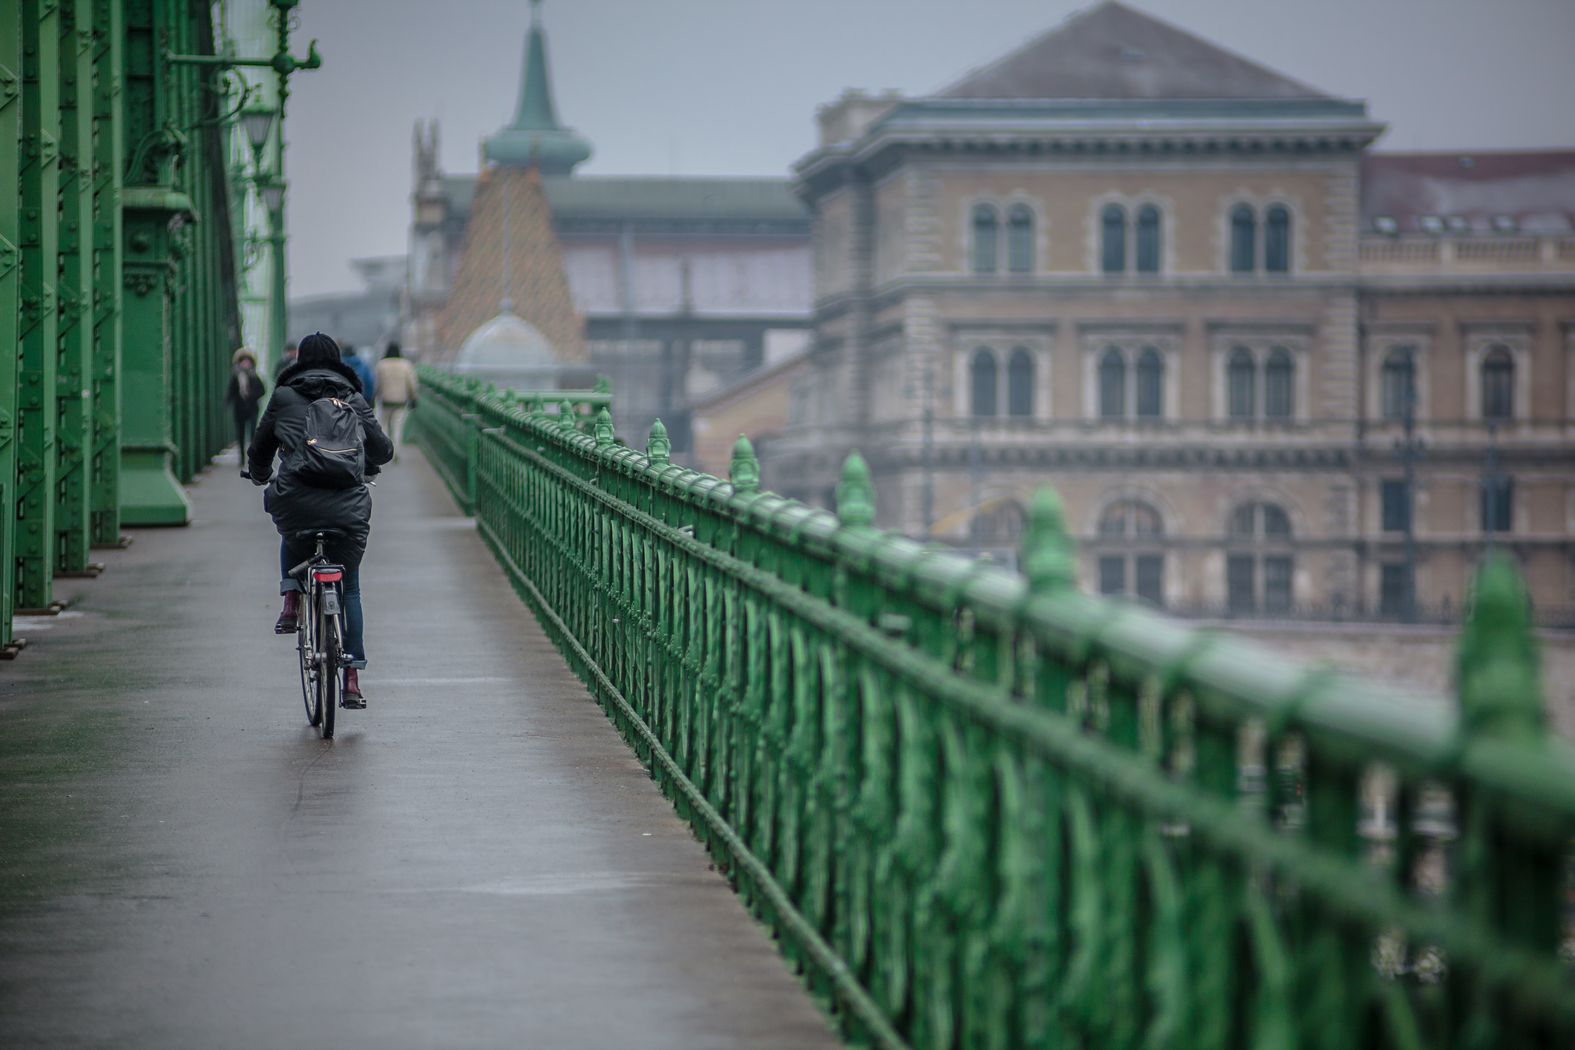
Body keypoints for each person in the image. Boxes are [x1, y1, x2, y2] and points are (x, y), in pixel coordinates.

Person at [247, 332, 393, 706]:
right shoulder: (354, 399)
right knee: (353, 587)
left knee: (291, 531)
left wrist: (261, 473)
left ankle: (290, 601)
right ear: (338, 364)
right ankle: (352, 680)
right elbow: (384, 450)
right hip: (348, 506)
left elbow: (261, 447)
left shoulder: (283, 397)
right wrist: (364, 461)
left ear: (298, 362)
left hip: (297, 500)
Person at [373, 342, 419, 459]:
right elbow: (412, 383)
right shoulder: (405, 365)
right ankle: (396, 451)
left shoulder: (381, 365)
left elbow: (377, 384)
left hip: (386, 401)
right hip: (401, 401)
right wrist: (413, 398)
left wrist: (376, 396)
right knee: (397, 426)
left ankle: (385, 450)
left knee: (384, 426)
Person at [224, 347, 266, 468]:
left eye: (248, 361)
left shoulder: (254, 376)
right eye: (243, 361)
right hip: (239, 409)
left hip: (252, 408)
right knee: (241, 434)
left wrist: (252, 395)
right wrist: (227, 402)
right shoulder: (236, 377)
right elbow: (231, 391)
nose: (246, 363)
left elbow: (262, 390)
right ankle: (242, 458)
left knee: (253, 432)